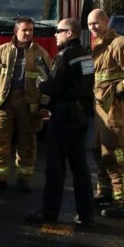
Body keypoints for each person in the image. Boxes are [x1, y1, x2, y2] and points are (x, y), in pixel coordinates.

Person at [25, 18, 96, 227]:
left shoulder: (64, 56)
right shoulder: (86, 55)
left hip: (63, 115)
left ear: (70, 33)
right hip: (81, 115)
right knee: (80, 167)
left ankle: (49, 212)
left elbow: (54, 86)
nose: (55, 34)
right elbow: (85, 84)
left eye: (58, 31)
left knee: (55, 168)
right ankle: (86, 214)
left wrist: (41, 84)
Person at [87, 9, 124, 218]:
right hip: (100, 111)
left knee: (115, 156)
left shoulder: (120, 44)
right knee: (98, 151)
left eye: (96, 23)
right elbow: (94, 76)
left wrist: (117, 91)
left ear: (105, 22)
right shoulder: (96, 46)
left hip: (115, 111)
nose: (93, 27)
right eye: (89, 24)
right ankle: (105, 191)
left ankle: (123, 201)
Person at [0, 17, 52, 192]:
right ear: (16, 31)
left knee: (27, 143)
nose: (28, 33)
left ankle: (23, 179)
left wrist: (44, 105)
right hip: (4, 103)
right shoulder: (2, 51)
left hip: (29, 105)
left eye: (31, 30)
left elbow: (48, 82)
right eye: (24, 30)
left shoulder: (40, 53)